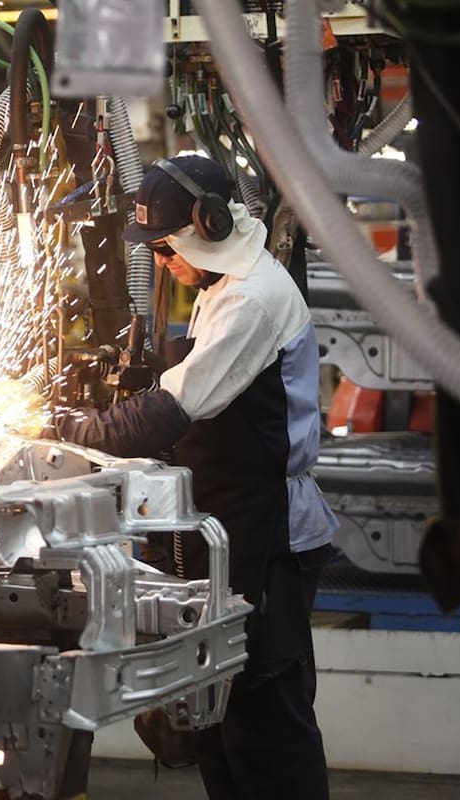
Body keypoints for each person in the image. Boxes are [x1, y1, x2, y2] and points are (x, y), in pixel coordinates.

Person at [45, 155, 338, 800]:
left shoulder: (255, 299)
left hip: (268, 537)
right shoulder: (221, 287)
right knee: (218, 721)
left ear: (207, 223)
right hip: (225, 528)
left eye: (165, 247)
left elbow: (172, 409)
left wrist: (75, 432)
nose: (162, 262)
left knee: (265, 720)